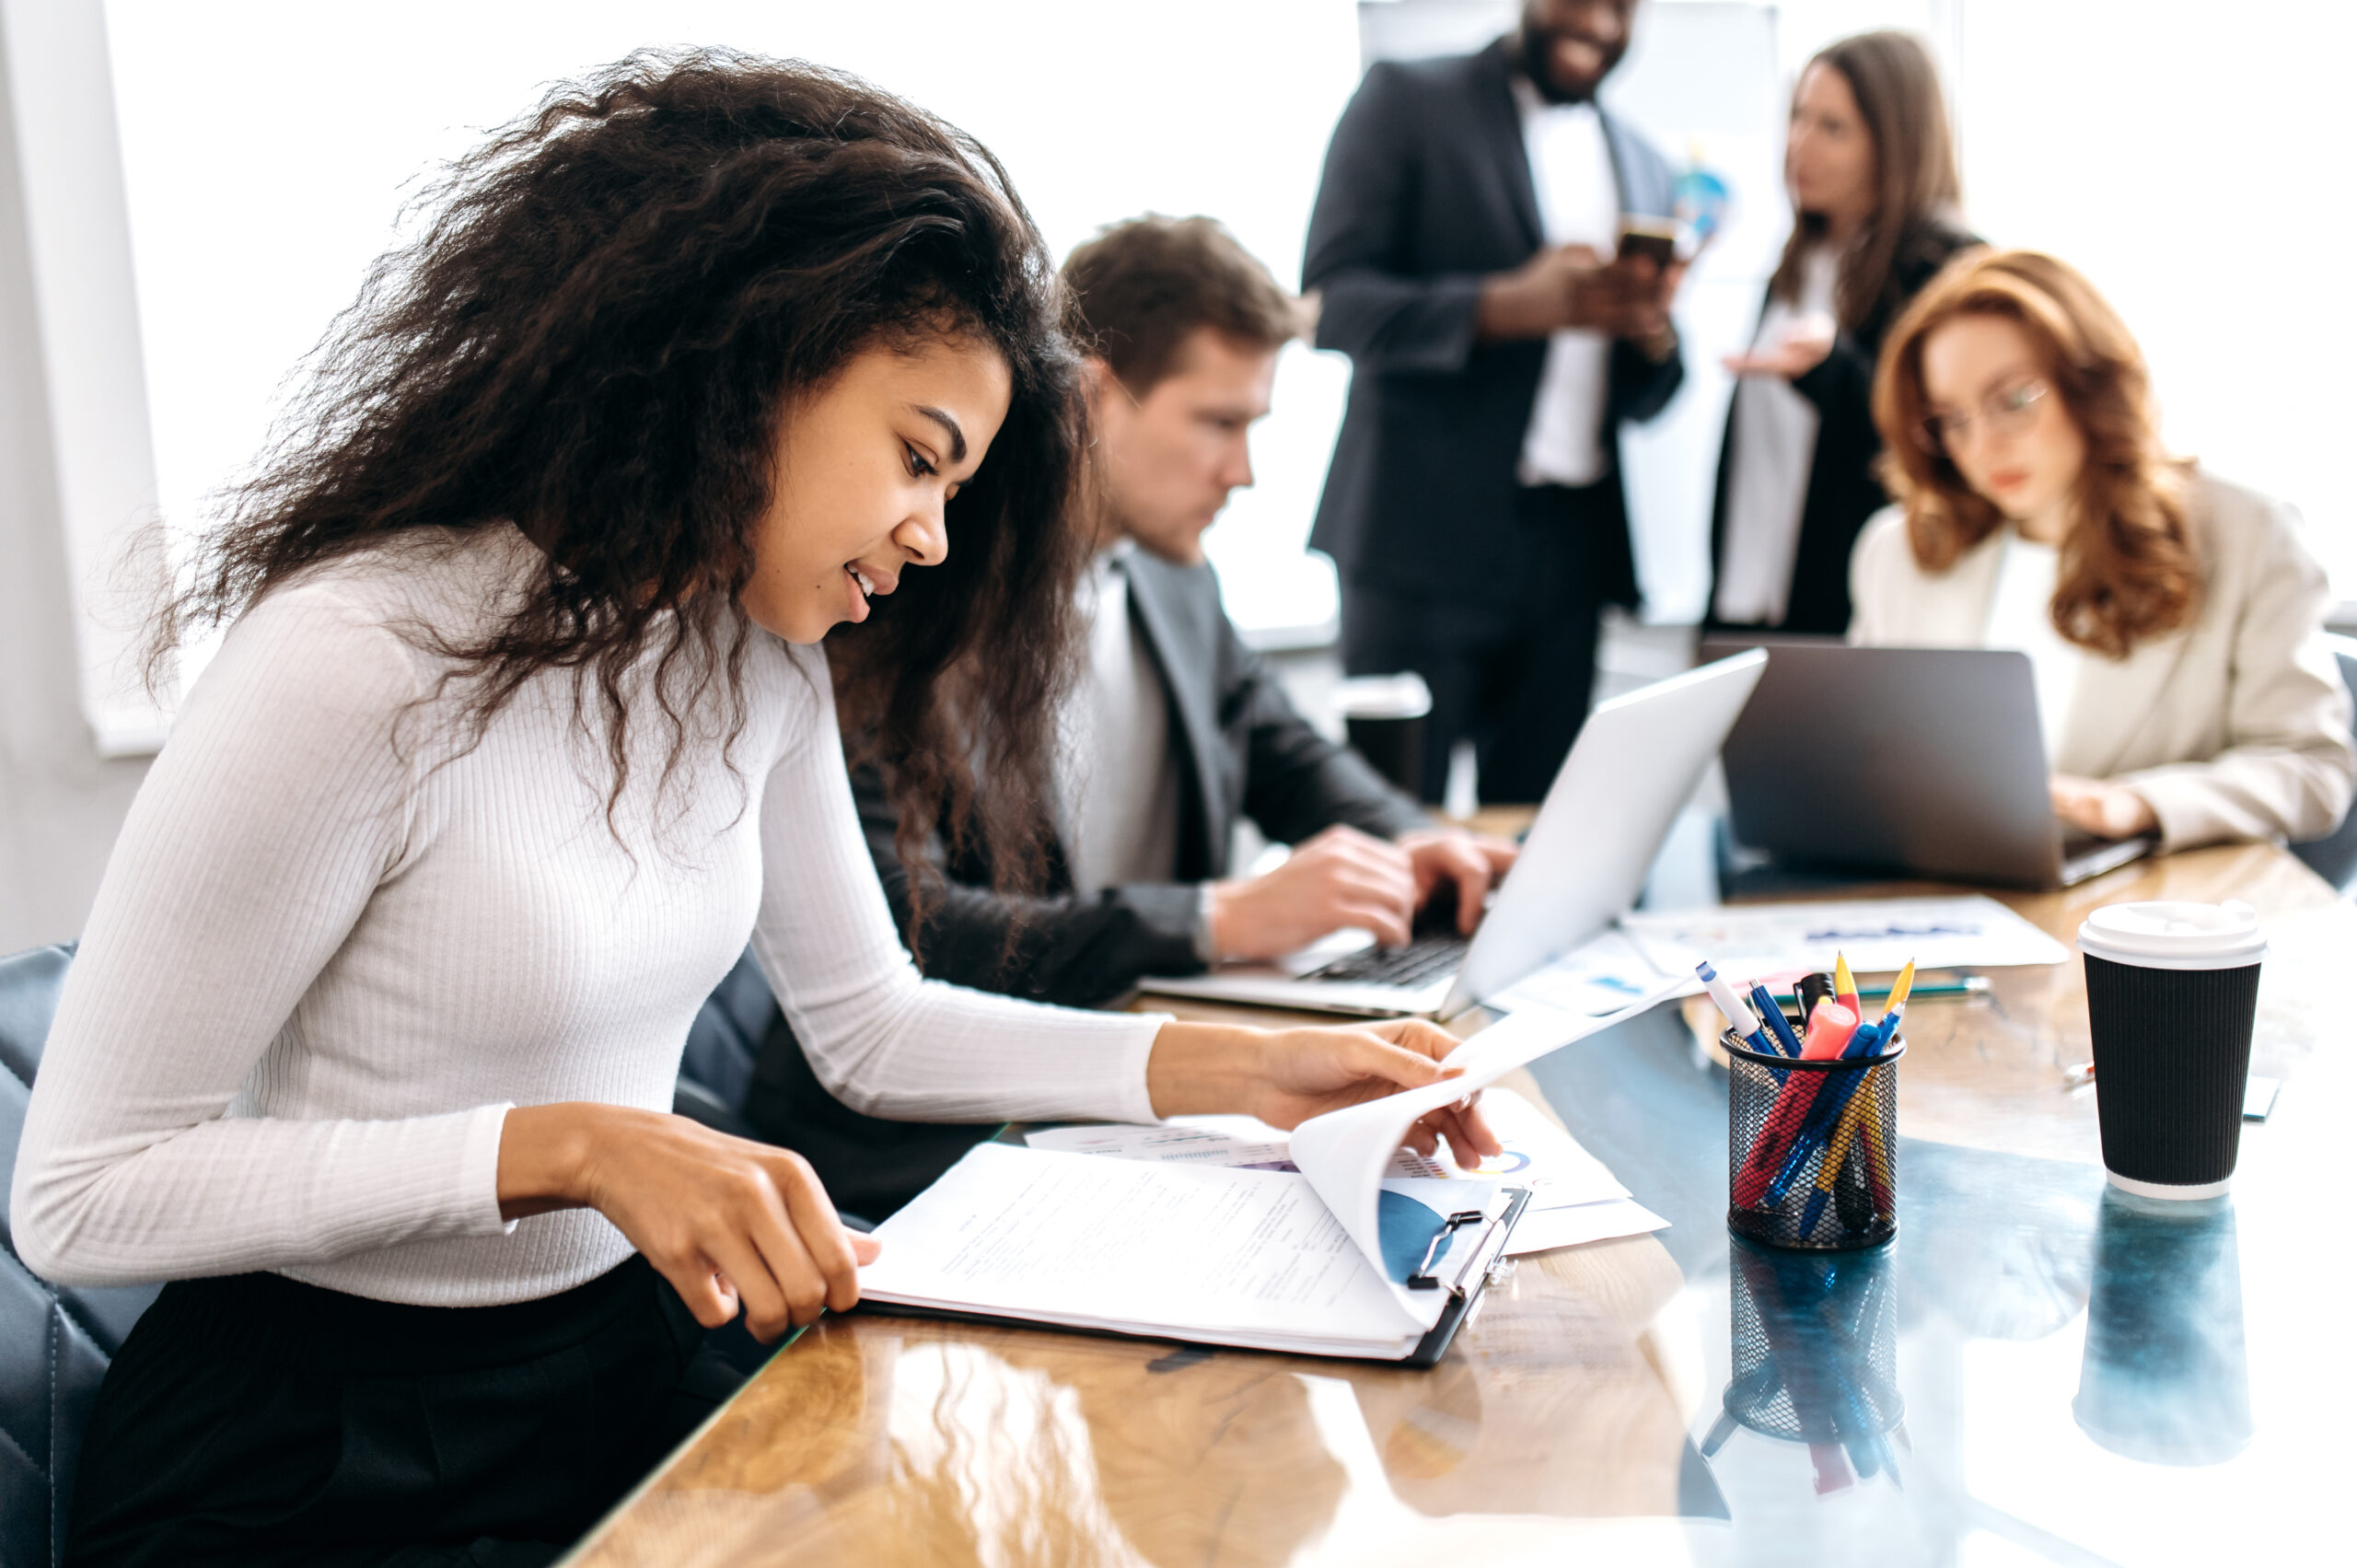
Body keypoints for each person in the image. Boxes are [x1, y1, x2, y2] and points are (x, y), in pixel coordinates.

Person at [10, 55, 1496, 1567]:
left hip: (615, 1366)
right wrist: (568, 1147)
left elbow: (872, 1025)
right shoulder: (355, 655)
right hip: (314, 1455)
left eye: (957, 486)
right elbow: (79, 1199)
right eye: (918, 457)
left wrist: (1240, 1065)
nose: (928, 532)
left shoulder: (753, 654)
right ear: (744, 364)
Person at [744, 215, 1518, 1220]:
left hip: (1125, 1093)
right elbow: (912, 931)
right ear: (1095, 397)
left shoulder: (1174, 578)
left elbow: (1279, 744)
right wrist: (1215, 918)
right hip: (914, 1165)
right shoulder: (892, 588)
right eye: (1218, 422)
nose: (1241, 472)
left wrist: (1417, 842)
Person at [1303, 0, 1686, 805]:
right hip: (1416, 540)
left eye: (1623, 7)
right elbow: (1331, 304)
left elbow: (1647, 397)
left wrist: (1652, 333)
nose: (1600, 22)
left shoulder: (1648, 165)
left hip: (1571, 554)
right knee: (1397, 826)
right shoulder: (1406, 100)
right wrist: (1507, 306)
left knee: (1541, 832)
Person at [1853, 249, 2355, 849]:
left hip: (2155, 909)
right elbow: (1868, 755)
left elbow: (2312, 767)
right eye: (1951, 419)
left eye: (2013, 400)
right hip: (1954, 898)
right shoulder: (1899, 551)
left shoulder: (2249, 534)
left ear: (2089, 382)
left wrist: (2142, 802)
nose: (1983, 444)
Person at [1710, 30, 1979, 635]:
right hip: (1750, 600)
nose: (1799, 144)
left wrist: (1832, 370)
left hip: (1857, 613)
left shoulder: (1945, 269)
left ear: (1896, 143)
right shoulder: (1799, 263)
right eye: (1798, 117)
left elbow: (1941, 445)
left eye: (1833, 128)